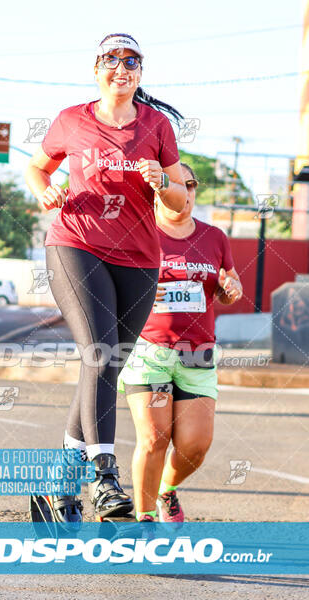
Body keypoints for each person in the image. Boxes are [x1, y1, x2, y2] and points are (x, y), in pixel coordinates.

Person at [25, 33, 187, 522]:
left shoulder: (156, 126)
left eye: (132, 61)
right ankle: (104, 476)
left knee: (106, 364)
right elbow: (37, 168)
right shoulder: (71, 119)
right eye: (113, 60)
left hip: (139, 258)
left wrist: (163, 182)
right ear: (96, 68)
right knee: (97, 351)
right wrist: (45, 191)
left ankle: (61, 482)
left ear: (141, 72)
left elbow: (179, 201)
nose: (123, 68)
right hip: (76, 244)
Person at [118, 163, 243, 523]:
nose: (184, 192)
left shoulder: (214, 237)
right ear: (159, 190)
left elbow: (229, 284)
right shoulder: (138, 234)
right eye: (177, 184)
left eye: (190, 185)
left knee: (195, 446)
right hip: (149, 350)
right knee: (155, 438)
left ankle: (165, 491)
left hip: (198, 354)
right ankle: (143, 521)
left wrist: (230, 289)